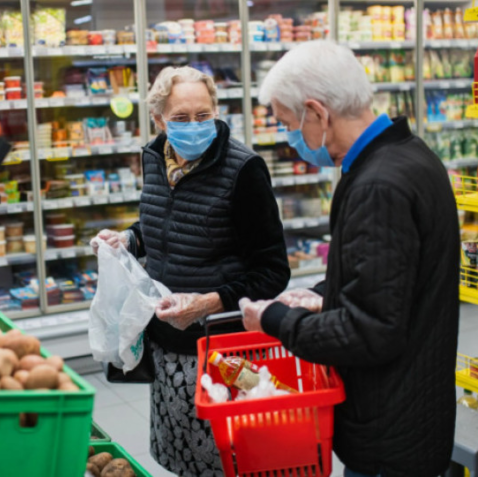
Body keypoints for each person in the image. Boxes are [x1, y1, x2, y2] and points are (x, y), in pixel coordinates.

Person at [239, 40, 459, 477]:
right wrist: (328, 295)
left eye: (289, 124)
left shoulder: (378, 186)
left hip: (389, 435)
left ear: (317, 113)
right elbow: (395, 283)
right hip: (415, 409)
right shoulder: (410, 155)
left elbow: (370, 332)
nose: (291, 139)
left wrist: (275, 319)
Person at [92, 66, 289, 476]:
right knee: (181, 459)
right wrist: (128, 240)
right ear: (159, 120)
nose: (195, 126)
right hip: (167, 343)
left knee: (229, 461)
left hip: (223, 351)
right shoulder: (154, 158)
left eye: (204, 115)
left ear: (217, 111)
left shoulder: (244, 169)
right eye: (181, 118)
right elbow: (162, 226)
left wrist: (208, 303)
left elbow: (273, 271)